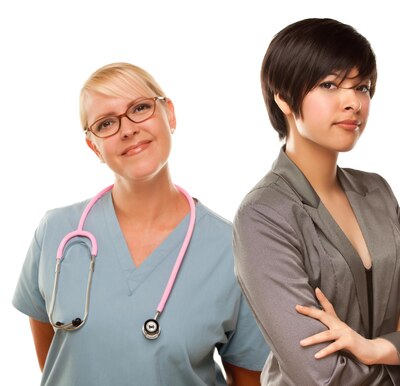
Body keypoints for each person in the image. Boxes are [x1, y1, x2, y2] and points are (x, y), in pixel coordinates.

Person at [233, 18, 400, 386]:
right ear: (283, 97)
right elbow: (319, 375)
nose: (353, 102)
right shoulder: (263, 214)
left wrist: (374, 348)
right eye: (330, 85)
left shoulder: (377, 193)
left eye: (363, 87)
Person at [12, 62, 268, 386]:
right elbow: (57, 362)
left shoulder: (232, 250)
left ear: (169, 115)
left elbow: (248, 379)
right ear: (94, 147)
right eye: (106, 123)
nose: (128, 129)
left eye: (140, 108)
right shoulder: (56, 233)